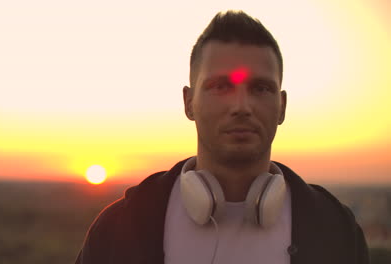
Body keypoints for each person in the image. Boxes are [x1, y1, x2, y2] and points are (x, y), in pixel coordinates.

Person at [75, 10, 369, 264]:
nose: (241, 107)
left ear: (282, 106)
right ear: (188, 102)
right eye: (220, 86)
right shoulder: (118, 229)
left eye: (260, 89)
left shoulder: (336, 229)